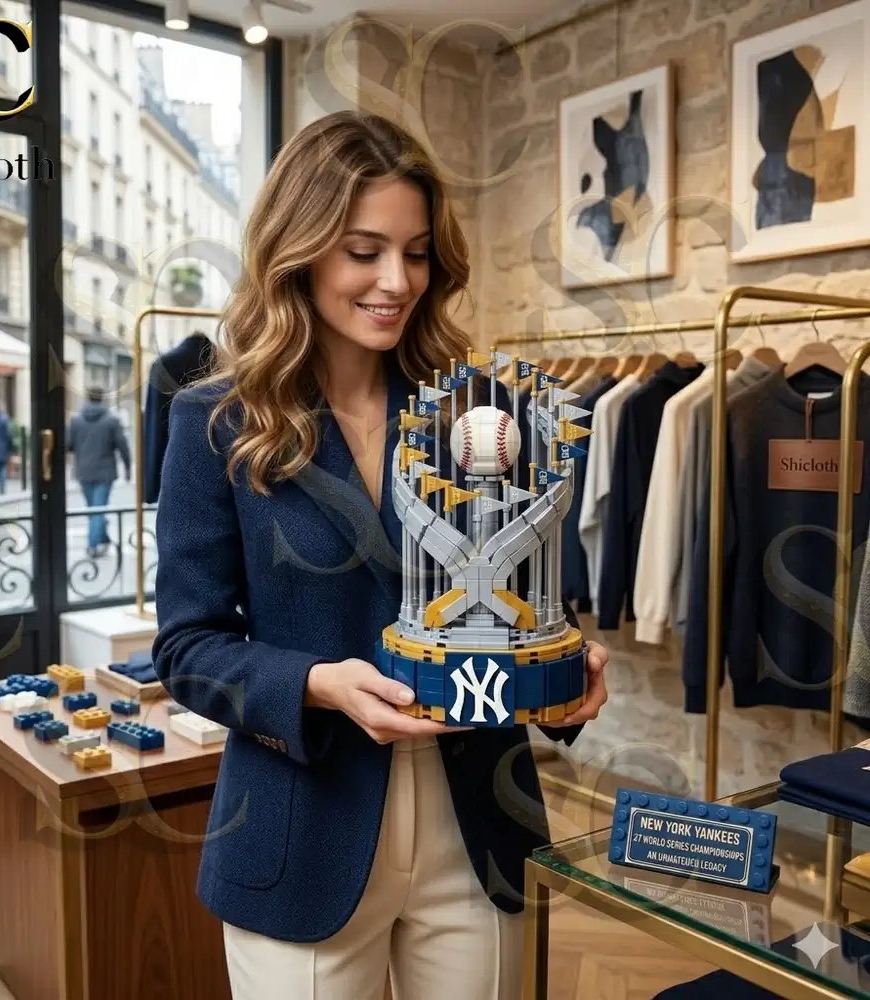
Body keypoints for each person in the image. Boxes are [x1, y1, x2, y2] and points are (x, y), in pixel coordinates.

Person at [151, 111, 610, 1000]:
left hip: (478, 823)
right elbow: (187, 647)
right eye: (364, 250)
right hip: (302, 825)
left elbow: (515, 589)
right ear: (301, 247)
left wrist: (564, 681)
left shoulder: (475, 413)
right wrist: (321, 684)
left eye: (417, 252)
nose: (396, 281)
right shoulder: (215, 421)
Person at [66, 386, 131, 557]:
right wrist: (128, 467)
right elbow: (122, 445)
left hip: (84, 471)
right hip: (105, 472)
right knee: (98, 509)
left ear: (87, 398)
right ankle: (93, 544)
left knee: (93, 509)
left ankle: (99, 540)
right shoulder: (112, 420)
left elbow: (68, 445)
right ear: (102, 398)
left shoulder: (76, 420)